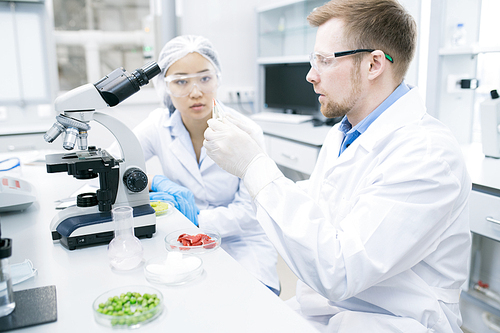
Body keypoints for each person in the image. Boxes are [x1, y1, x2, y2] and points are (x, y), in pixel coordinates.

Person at [203, 1, 471, 332]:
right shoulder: (344, 133)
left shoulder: (428, 154)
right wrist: (258, 160)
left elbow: (340, 269)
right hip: (325, 309)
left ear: (374, 64)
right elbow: (322, 205)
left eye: (325, 61)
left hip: (392, 322)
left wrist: (255, 168)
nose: (310, 75)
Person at [131, 35, 280, 294]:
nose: (196, 92)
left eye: (205, 78)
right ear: (164, 86)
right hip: (183, 239)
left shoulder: (246, 130)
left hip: (242, 242)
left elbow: (251, 210)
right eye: (181, 81)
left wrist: (197, 218)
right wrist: (153, 181)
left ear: (218, 77)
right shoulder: (158, 125)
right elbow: (116, 161)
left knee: (249, 306)